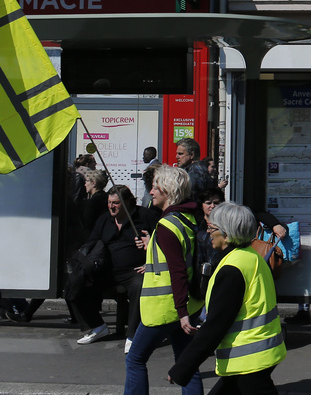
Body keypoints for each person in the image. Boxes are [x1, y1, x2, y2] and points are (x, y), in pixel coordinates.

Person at [168, 202, 286, 394]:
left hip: (248, 359)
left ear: (227, 234)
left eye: (212, 228)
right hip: (259, 355)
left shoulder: (232, 269)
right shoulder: (251, 257)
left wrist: (183, 367)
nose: (208, 232)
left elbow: (216, 325)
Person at [125, 165, 204, 395]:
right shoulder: (186, 218)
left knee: (135, 359)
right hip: (184, 305)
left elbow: (177, 270)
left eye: (154, 187)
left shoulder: (167, 226)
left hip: (164, 308)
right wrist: (152, 246)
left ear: (167, 190)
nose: (151, 192)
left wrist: (180, 312)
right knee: (186, 365)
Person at [71, 186, 157, 351]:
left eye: (116, 203)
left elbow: (161, 241)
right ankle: (96, 326)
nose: (112, 206)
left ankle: (133, 335)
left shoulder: (145, 216)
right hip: (106, 270)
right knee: (76, 282)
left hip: (134, 270)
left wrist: (150, 259)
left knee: (139, 286)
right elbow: (92, 242)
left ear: (127, 202)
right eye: (110, 203)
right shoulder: (104, 219)